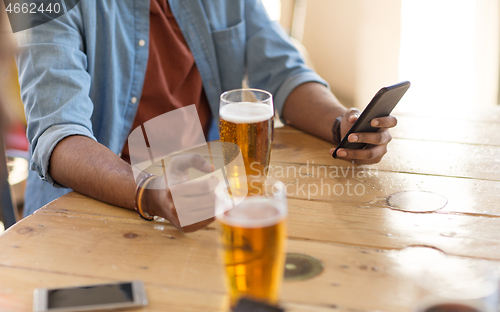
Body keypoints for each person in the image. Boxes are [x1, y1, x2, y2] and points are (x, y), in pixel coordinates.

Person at [15, 0, 397, 231]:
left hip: (203, 200)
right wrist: (150, 193)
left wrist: (339, 123)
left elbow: (284, 71)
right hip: (87, 209)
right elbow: (58, 136)